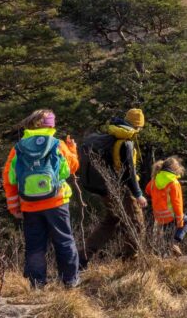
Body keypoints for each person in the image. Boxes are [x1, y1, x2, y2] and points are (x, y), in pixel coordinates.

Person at [2, 109, 80, 288]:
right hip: (57, 201)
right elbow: (73, 167)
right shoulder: (57, 144)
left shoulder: (19, 147)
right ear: (51, 125)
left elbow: (9, 177)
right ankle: (70, 281)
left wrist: (14, 205)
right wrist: (72, 149)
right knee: (64, 240)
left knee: (35, 245)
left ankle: (37, 284)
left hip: (29, 204)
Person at [80, 109, 148, 266]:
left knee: (111, 220)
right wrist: (138, 194)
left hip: (106, 189)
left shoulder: (112, 136)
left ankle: (83, 255)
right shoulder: (126, 142)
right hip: (121, 189)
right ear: (139, 126)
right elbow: (129, 172)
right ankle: (130, 261)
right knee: (137, 223)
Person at [146, 157, 187, 255]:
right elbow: (177, 203)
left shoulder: (154, 179)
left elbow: (147, 190)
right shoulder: (174, 183)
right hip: (171, 215)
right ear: (174, 168)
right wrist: (180, 220)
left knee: (165, 238)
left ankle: (164, 256)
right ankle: (175, 243)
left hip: (158, 216)